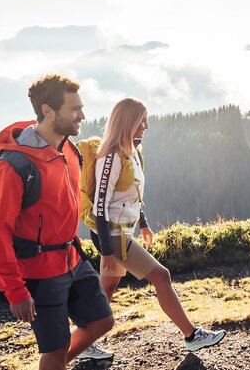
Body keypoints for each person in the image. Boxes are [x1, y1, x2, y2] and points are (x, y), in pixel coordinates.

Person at [76, 97, 226, 352]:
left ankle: (85, 343)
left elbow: (134, 196)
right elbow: (100, 206)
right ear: (128, 122)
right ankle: (192, 336)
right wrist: (107, 250)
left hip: (121, 232)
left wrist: (143, 224)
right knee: (161, 276)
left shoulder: (133, 154)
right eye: (142, 120)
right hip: (112, 235)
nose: (146, 125)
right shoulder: (110, 157)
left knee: (107, 288)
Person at [0, 74, 115, 370]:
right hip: (40, 272)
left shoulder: (68, 150)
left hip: (72, 258)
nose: (82, 115)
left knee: (102, 321)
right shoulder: (14, 166)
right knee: (55, 349)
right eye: (74, 109)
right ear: (48, 110)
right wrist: (15, 291)